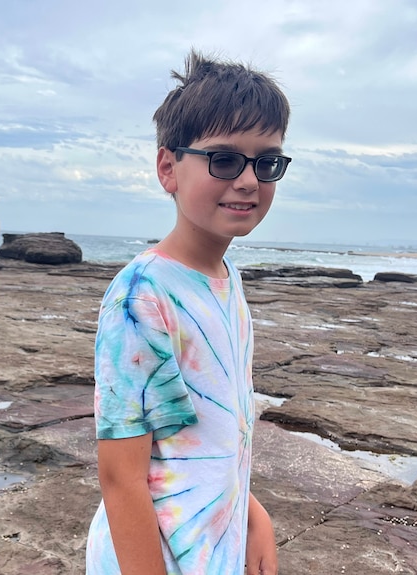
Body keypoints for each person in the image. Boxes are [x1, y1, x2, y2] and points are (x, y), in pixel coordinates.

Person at [86, 50, 291, 575]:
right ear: (167, 167)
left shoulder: (226, 280)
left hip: (213, 543)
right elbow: (121, 477)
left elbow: (216, 434)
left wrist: (253, 516)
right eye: (223, 159)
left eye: (266, 162)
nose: (248, 180)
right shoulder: (142, 296)